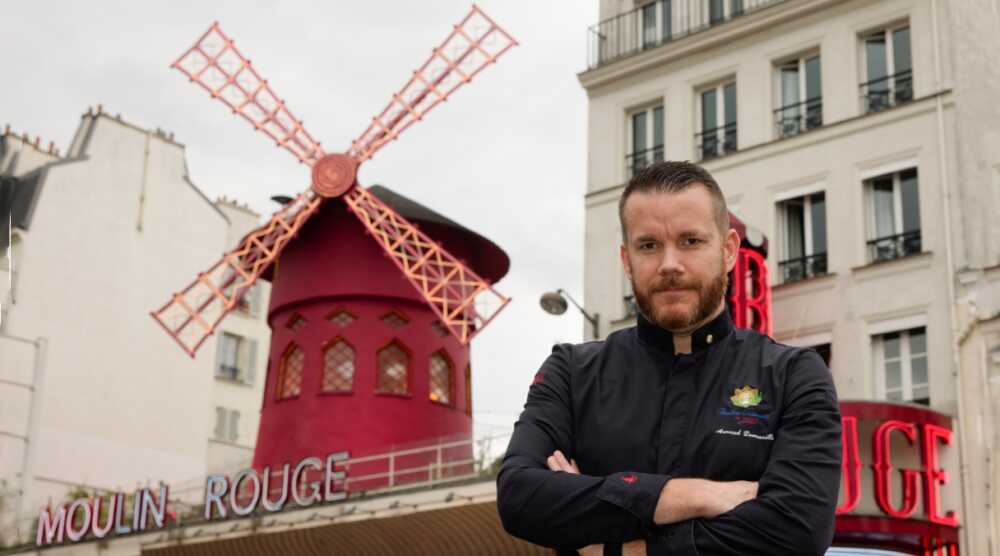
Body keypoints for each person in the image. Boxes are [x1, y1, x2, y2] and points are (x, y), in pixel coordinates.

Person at [496, 161, 841, 555]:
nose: (670, 265)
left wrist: (613, 546)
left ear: (728, 250)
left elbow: (798, 530)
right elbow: (520, 496)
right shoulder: (572, 372)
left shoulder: (793, 375)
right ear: (626, 260)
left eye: (690, 241)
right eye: (649, 245)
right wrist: (690, 496)